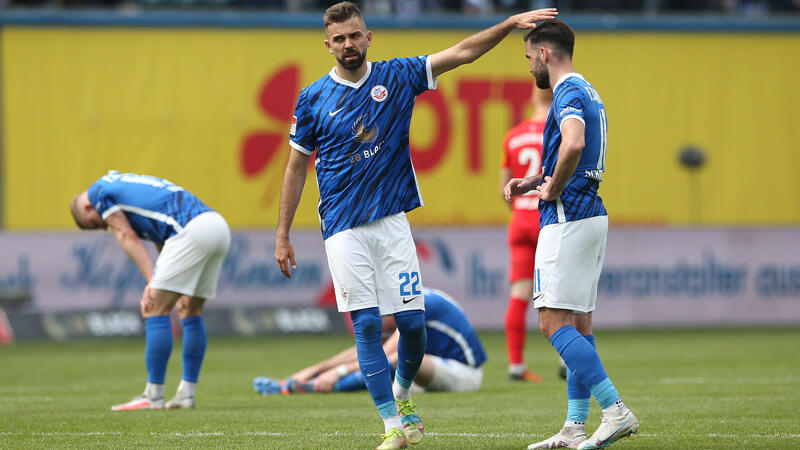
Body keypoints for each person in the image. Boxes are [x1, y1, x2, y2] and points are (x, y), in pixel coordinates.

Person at [274, 2, 557, 448]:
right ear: (328, 45)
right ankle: (391, 425)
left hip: (391, 222)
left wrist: (506, 24)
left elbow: (462, 52)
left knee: (412, 325)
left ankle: (403, 393)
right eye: (340, 38)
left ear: (369, 37)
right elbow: (295, 168)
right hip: (342, 228)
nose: (349, 44)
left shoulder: (397, 76)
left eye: (355, 35)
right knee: (367, 326)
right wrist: (283, 233)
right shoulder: (312, 99)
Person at [504, 20, 639, 450]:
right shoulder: (588, 90)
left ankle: (615, 410)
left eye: (529, 57)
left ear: (544, 53)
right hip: (589, 215)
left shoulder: (566, 92)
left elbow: (575, 143)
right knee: (578, 325)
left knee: (551, 323)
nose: (530, 67)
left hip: (568, 218)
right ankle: (574, 427)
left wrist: (553, 188)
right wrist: (536, 180)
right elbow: (575, 150)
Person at [70, 170, 230, 411]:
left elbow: (126, 235)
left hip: (191, 231)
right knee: (189, 310)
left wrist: (151, 281)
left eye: (94, 224)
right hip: (216, 226)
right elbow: (163, 239)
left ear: (87, 208)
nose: (103, 227)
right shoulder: (122, 186)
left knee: (153, 307)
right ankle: (186, 395)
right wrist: (163, 281)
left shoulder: (98, 193)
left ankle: (153, 395)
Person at [253, 288, 487, 395]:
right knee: (387, 361)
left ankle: (315, 388)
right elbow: (365, 350)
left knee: (398, 359)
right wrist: (314, 369)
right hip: (429, 373)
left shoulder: (416, 307)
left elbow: (384, 355)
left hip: (465, 375)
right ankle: (302, 382)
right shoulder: (404, 300)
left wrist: (336, 373)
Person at [499, 84, 552, 383]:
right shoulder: (558, 130)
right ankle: (566, 362)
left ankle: (516, 365)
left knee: (519, 295)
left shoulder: (513, 135)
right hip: (547, 219)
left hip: (520, 220)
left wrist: (521, 210)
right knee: (560, 292)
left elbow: (504, 189)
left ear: (533, 97)